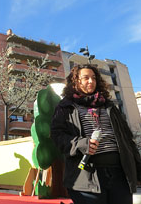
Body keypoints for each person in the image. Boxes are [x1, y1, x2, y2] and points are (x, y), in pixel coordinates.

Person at [50, 64, 141, 204]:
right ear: (76, 81)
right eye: (86, 78)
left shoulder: (109, 106)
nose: (91, 81)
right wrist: (82, 144)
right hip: (86, 177)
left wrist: (137, 168)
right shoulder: (65, 107)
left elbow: (127, 139)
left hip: (120, 175)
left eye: (93, 78)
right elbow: (57, 136)